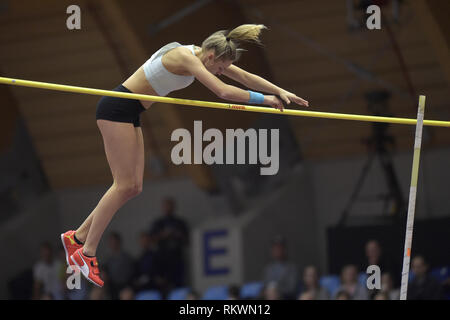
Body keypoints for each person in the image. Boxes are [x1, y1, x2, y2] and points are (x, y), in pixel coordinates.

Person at [59, 23, 309, 287]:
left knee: (133, 187)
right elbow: (223, 91)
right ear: (211, 56)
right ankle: (86, 253)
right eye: (221, 68)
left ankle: (76, 238)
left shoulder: (202, 55)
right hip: (117, 108)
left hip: (130, 111)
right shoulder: (185, 57)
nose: (222, 72)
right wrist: (265, 100)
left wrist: (278, 91)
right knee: (123, 185)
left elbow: (244, 78)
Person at [149, 197, 189, 295]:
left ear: (174, 207)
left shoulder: (180, 223)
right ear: (162, 207)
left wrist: (176, 234)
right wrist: (164, 235)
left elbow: (187, 241)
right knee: (162, 288)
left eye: (170, 205)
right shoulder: (158, 223)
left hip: (177, 259)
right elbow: (151, 240)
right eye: (166, 206)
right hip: (162, 260)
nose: (168, 208)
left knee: (179, 288)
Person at [104, 232, 135, 299]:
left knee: (126, 295)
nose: (113, 244)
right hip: (111, 287)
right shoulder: (108, 260)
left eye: (114, 241)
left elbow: (129, 276)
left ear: (118, 242)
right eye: (110, 242)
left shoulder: (127, 258)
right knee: (96, 293)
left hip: (124, 286)